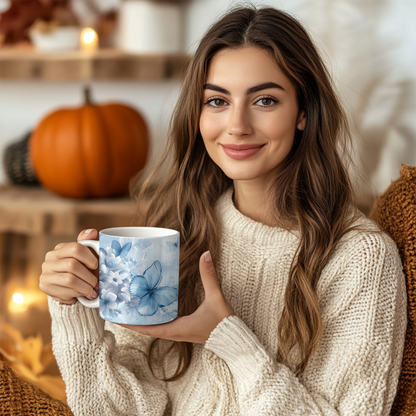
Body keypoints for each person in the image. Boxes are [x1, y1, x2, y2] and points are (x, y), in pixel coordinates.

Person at [39, 6, 407, 416]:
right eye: (217, 101)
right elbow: (115, 409)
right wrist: (75, 308)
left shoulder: (360, 259)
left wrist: (229, 339)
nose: (237, 125)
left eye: (265, 100)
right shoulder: (178, 229)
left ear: (304, 112)